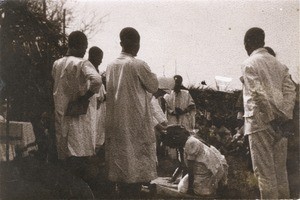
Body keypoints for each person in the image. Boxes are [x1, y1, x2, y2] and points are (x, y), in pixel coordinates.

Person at [242, 27, 296, 199]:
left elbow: (257, 94)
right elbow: (290, 92)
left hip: (260, 123)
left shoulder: (249, 63)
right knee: (280, 173)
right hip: (281, 124)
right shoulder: (280, 65)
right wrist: (285, 117)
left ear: (248, 43)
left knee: (265, 173)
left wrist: (271, 118)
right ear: (263, 42)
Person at [105, 27, 158, 198]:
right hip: (135, 120)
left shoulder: (111, 65)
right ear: (137, 44)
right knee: (135, 161)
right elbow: (154, 86)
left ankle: (122, 191)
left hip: (117, 120)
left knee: (121, 159)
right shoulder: (138, 64)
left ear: (121, 43)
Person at [52, 31, 102, 178]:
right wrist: (84, 97)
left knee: (66, 156)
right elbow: (97, 81)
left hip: (62, 113)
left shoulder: (57, 64)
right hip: (79, 114)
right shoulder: (82, 63)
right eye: (85, 48)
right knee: (80, 154)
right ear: (82, 46)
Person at [161, 125, 228, 196]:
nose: (170, 147)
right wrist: (173, 178)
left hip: (207, 169)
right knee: (181, 183)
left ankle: (211, 186)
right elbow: (183, 165)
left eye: (169, 144)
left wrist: (190, 189)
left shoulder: (190, 143)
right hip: (205, 166)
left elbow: (190, 170)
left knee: (182, 188)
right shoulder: (185, 143)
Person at [88, 46, 106, 150]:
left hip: (97, 108)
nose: (101, 61)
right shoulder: (89, 72)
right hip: (92, 108)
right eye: (99, 58)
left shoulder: (95, 72)